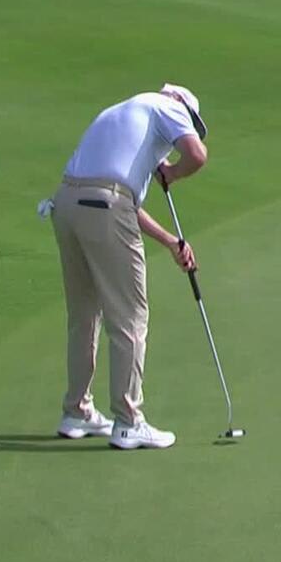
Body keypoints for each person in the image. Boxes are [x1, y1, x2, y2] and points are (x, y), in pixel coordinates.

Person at [48, 84, 210, 451]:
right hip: (104, 206)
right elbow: (197, 156)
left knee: (84, 314)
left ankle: (77, 411)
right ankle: (128, 420)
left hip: (67, 204)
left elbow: (115, 201)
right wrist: (173, 173)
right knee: (130, 318)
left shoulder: (119, 112)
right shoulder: (168, 107)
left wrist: (170, 241)